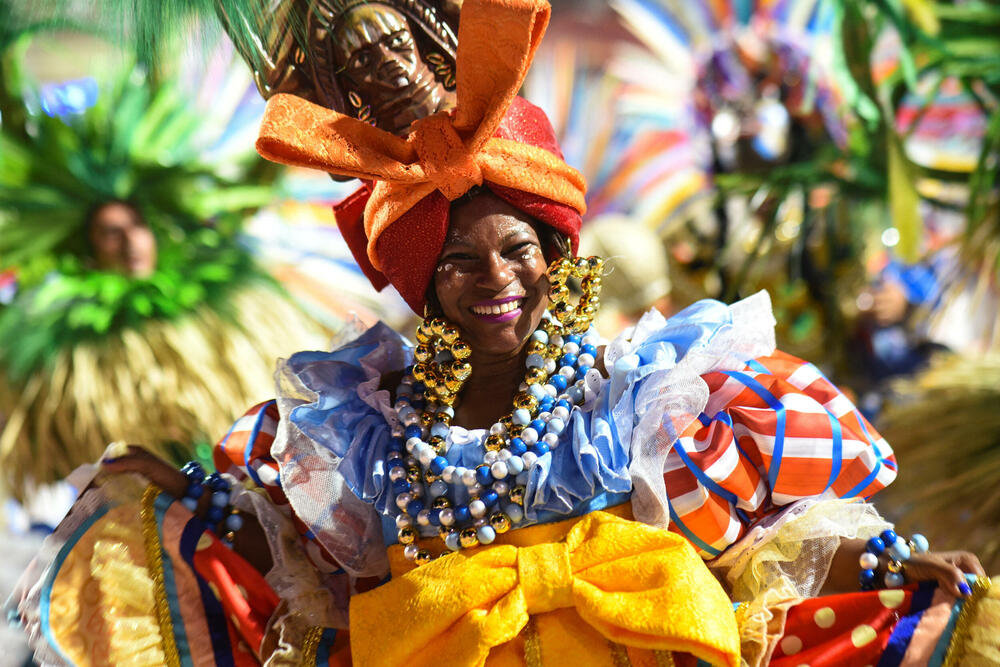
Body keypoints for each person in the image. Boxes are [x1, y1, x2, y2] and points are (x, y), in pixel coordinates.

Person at [10, 1, 997, 665]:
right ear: (422, 286)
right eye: (459, 263)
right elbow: (292, 555)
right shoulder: (367, 429)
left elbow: (759, 542)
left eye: (516, 251)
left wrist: (885, 565)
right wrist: (183, 502)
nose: (496, 281)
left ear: (554, 255)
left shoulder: (642, 396)